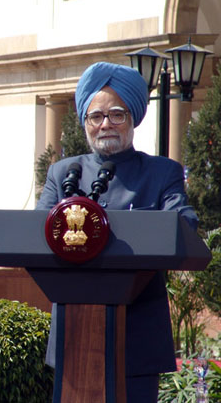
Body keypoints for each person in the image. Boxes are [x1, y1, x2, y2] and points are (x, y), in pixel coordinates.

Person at [36, 61, 198, 402]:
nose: (105, 124)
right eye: (96, 116)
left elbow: (184, 227)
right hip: (74, 337)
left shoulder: (161, 173)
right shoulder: (64, 172)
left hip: (137, 333)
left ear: (133, 119)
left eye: (116, 114)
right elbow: (35, 234)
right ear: (85, 122)